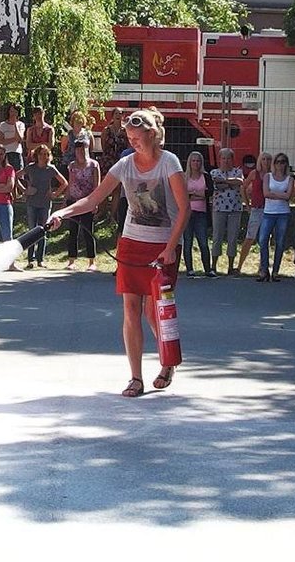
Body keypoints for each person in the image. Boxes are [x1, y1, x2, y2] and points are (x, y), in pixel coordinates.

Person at [47, 107, 189, 398]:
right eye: (130, 137)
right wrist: (63, 211)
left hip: (164, 246)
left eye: (137, 137)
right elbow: (92, 198)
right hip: (131, 245)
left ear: (152, 134)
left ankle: (168, 362)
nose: (133, 142)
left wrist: (171, 248)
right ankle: (135, 378)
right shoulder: (125, 165)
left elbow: (184, 209)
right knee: (130, 309)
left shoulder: (169, 163)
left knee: (154, 311)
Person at [19, 144, 67, 268]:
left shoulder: (51, 169)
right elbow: (15, 176)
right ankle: (30, 259)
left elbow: (64, 183)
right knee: (31, 230)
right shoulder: (31, 167)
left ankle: (40, 259)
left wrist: (55, 194)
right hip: (32, 202)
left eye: (46, 154)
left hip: (45, 203)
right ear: (37, 155)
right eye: (41, 154)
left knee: (43, 230)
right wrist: (25, 190)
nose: (43, 156)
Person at [64, 139, 101, 271]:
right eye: (78, 149)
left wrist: (95, 203)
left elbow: (97, 185)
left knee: (88, 232)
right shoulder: (72, 165)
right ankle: (71, 260)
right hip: (74, 201)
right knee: (73, 231)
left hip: (87, 202)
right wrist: (66, 199)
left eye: (83, 149)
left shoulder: (94, 165)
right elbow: (70, 182)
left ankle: (91, 262)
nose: (80, 152)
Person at [257, 152, 293, 281]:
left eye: (282, 162)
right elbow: (266, 193)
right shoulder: (268, 176)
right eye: (277, 162)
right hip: (269, 212)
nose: (280, 164)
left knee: (280, 242)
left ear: (286, 164)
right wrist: (281, 194)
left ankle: (276, 270)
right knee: (262, 239)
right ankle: (264, 269)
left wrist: (275, 194)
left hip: (283, 213)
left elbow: (288, 196)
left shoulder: (289, 179)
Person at [209, 147, 244, 276]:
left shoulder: (238, 171)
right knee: (217, 236)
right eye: (223, 158)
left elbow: (240, 182)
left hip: (235, 208)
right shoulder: (213, 173)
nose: (226, 160)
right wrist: (230, 183)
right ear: (219, 159)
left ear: (232, 159)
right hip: (218, 208)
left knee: (232, 237)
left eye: (228, 158)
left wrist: (224, 181)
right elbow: (216, 186)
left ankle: (230, 266)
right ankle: (213, 266)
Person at [237, 151, 272, 275]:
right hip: (256, 209)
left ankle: (263, 267)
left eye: (268, 159)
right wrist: (247, 205)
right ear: (260, 161)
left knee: (265, 240)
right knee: (249, 238)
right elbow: (243, 188)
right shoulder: (254, 174)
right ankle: (239, 266)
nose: (266, 162)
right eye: (264, 159)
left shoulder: (273, 175)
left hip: (269, 210)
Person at [183, 151, 213, 277]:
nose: (196, 163)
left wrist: (193, 195)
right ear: (190, 162)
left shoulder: (206, 177)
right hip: (187, 213)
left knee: (203, 241)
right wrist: (198, 195)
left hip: (201, 213)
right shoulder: (184, 177)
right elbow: (183, 195)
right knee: (188, 241)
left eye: (198, 161)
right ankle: (189, 269)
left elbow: (209, 193)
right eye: (193, 160)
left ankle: (208, 269)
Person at [99, 107, 129, 176]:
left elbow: (128, 145)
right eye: (116, 113)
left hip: (121, 160)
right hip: (108, 160)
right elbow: (103, 145)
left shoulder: (125, 131)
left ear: (123, 116)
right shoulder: (106, 130)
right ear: (112, 116)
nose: (118, 115)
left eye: (120, 113)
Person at [0, 104, 26, 171]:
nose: (13, 114)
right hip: (5, 153)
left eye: (15, 112)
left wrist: (15, 124)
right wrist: (14, 139)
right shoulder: (3, 125)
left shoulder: (21, 124)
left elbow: (20, 139)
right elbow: (1, 141)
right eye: (11, 111)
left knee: (17, 173)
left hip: (16, 153)